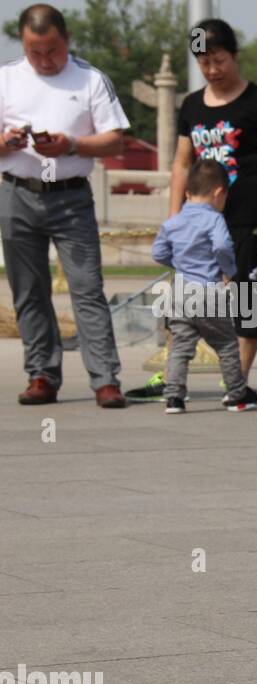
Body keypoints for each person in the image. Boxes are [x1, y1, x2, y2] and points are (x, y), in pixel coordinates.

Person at [127, 18, 257, 402]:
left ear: (235, 56)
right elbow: (180, 163)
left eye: (219, 60)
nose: (212, 70)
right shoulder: (191, 106)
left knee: (247, 301)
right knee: (183, 303)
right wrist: (175, 218)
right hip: (197, 223)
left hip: (250, 219)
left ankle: (236, 381)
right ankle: (171, 378)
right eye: (204, 63)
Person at [0, 3, 129, 407]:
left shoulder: (91, 79)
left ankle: (105, 379)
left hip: (70, 195)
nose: (44, 60)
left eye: (52, 50)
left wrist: (71, 144)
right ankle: (41, 374)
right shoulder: (6, 78)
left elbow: (116, 140)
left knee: (87, 289)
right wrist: (6, 143)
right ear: (23, 44)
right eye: (35, 52)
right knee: (29, 291)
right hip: (16, 192)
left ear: (67, 40)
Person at [152, 158, 257, 413]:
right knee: (226, 345)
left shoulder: (173, 222)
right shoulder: (214, 220)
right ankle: (236, 393)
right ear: (219, 192)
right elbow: (222, 246)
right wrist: (229, 270)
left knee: (180, 346)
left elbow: (158, 253)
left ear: (187, 192)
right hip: (208, 291)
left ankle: (174, 397)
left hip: (180, 292)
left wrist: (178, 263)